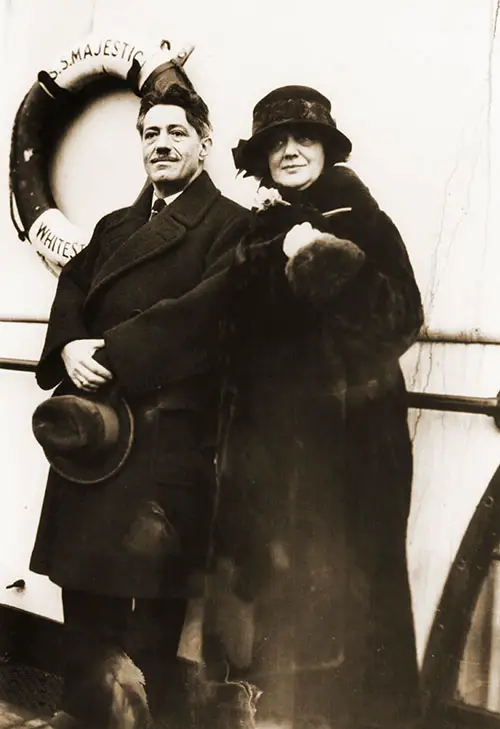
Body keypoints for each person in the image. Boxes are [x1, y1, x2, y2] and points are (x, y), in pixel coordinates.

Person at [29, 75, 250, 729]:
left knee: (152, 607)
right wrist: (69, 346)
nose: (161, 143)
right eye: (150, 133)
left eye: (176, 132)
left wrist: (112, 353)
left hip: (165, 443)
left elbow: (202, 317)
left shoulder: (233, 227)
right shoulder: (114, 225)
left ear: (204, 145)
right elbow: (74, 284)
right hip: (92, 437)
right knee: (83, 590)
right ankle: (84, 710)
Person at [203, 85, 424, 729]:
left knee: (350, 615)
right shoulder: (252, 231)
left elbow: (401, 320)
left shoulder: (362, 218)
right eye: (277, 142)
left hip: (347, 456)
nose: (291, 151)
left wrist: (329, 263)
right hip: (264, 457)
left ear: (326, 149)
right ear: (261, 159)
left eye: (304, 139)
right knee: (267, 615)